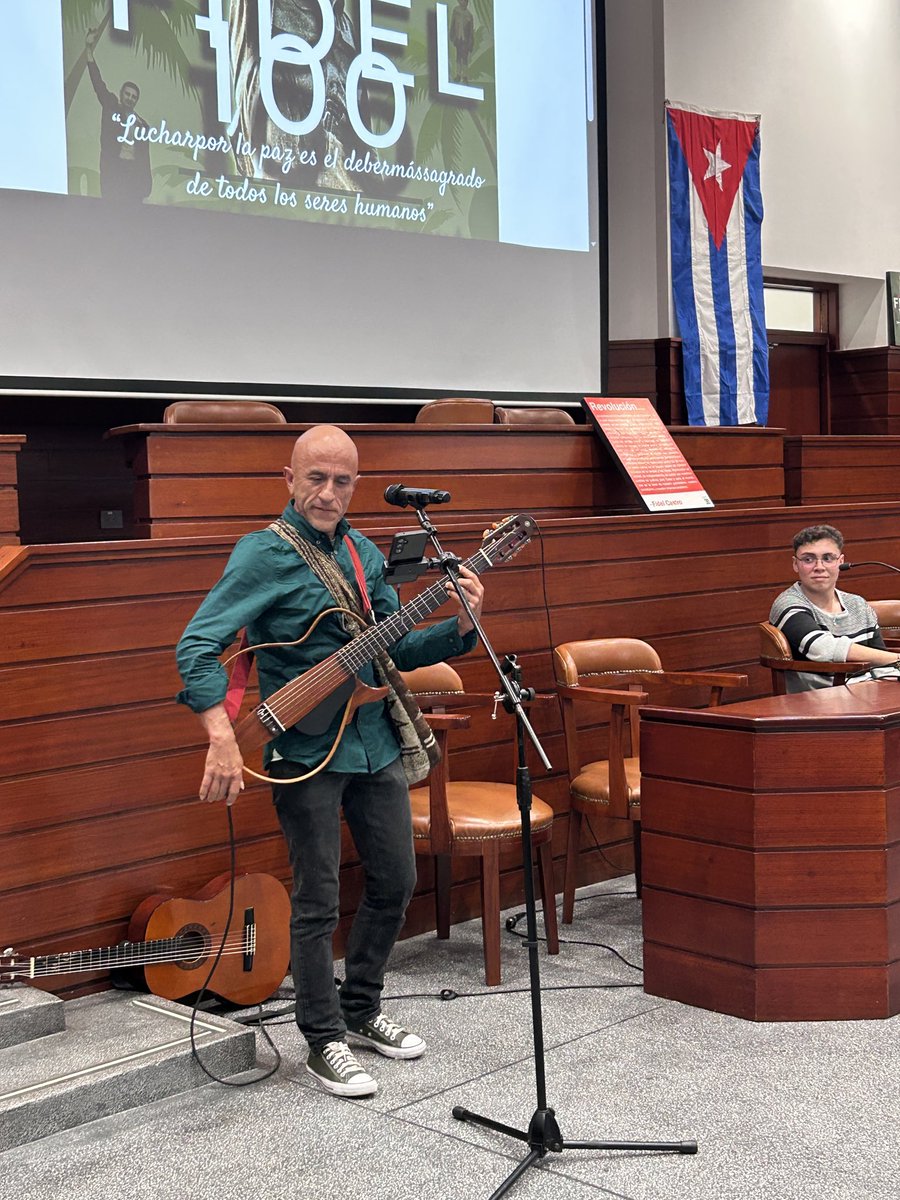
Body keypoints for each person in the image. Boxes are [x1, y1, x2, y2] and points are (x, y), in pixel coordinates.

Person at [176, 425, 484, 1098]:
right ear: (288, 478)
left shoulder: (364, 553)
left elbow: (393, 649)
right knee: (315, 899)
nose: (327, 492)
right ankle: (322, 1041)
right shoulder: (261, 554)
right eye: (315, 478)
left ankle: (361, 1005)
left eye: (341, 481)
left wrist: (459, 624)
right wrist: (221, 734)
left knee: (396, 881)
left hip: (371, 738)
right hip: (304, 749)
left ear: (356, 486)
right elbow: (196, 647)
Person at [768, 523, 900, 692]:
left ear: (841, 562)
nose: (819, 567)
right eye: (808, 559)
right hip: (818, 705)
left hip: (871, 699)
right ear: (795, 564)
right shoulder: (788, 604)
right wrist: (897, 658)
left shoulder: (858, 604)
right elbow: (824, 648)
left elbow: (882, 664)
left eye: (828, 558)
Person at [85, 29, 152, 201]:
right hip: (113, 172)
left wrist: (146, 186)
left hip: (133, 178)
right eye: (128, 94)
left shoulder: (142, 125)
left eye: (134, 97)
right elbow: (98, 84)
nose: (130, 98)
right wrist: (89, 50)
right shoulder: (111, 106)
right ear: (122, 94)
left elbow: (145, 158)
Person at [449, 0, 475, 83]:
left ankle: (465, 76)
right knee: (458, 57)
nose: (464, 2)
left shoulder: (469, 15)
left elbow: (471, 31)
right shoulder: (456, 11)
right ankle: (458, 74)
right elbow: (452, 23)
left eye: (465, 1)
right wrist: (451, 34)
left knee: (465, 58)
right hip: (458, 38)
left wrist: (471, 42)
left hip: (465, 40)